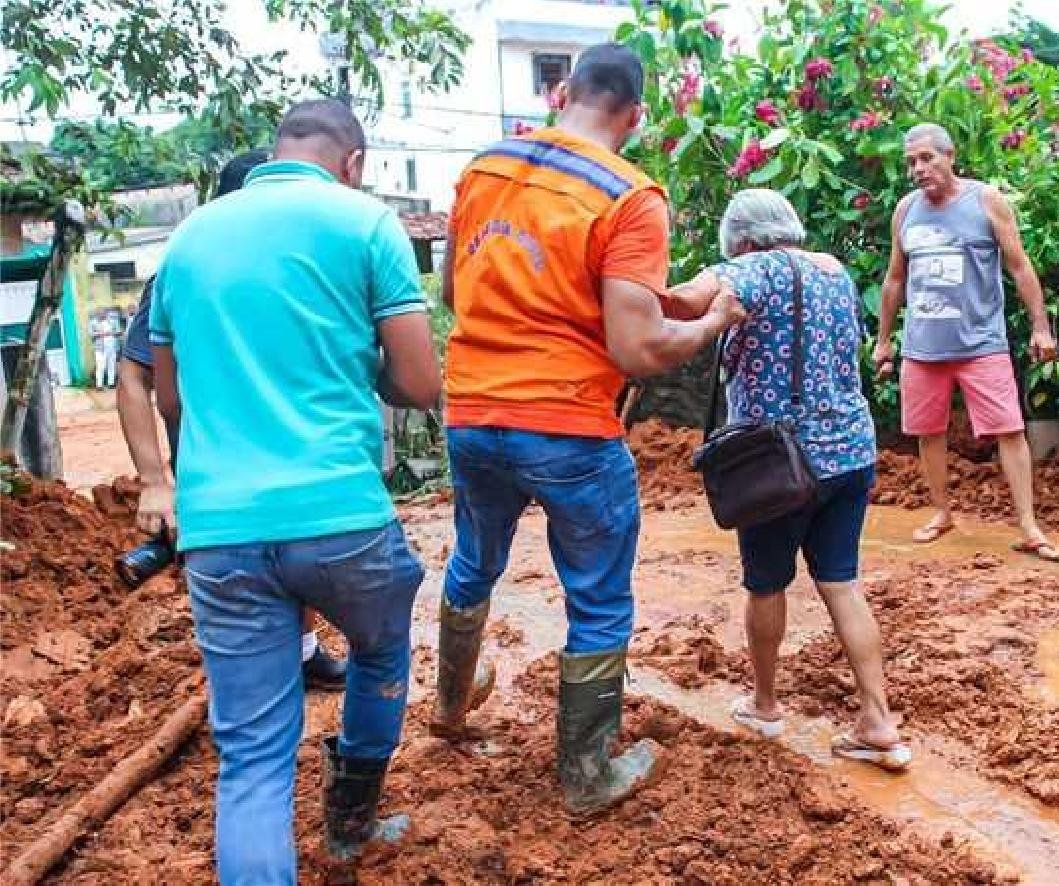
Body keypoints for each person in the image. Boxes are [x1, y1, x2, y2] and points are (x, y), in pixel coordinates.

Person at [437, 43, 743, 817]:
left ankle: (449, 703)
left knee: (475, 559)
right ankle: (585, 775)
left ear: (563, 91)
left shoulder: (483, 169)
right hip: (568, 424)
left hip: (473, 412)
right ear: (635, 117)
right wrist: (711, 320)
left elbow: (454, 289)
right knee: (599, 598)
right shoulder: (628, 196)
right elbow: (634, 347)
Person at [150, 100, 442, 882]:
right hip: (341, 516)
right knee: (380, 648)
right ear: (353, 162)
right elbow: (418, 382)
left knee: (251, 757)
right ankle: (352, 822)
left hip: (220, 530)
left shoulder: (188, 239)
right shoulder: (365, 223)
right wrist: (345, 364)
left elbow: (171, 401)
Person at [672, 189, 911, 771]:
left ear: (745, 240)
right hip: (850, 452)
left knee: (767, 583)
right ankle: (878, 722)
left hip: (778, 463)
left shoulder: (752, 268)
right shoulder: (834, 272)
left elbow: (681, 302)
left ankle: (764, 703)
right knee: (841, 583)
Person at [117, 150, 347, 691]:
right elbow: (134, 375)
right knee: (240, 596)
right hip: (215, 471)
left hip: (290, 462)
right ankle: (251, 676)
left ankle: (302, 650)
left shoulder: (297, 272)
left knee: (296, 558)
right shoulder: (183, 272)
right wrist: (154, 481)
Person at [874, 123, 1059, 563]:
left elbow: (1020, 267)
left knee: (1010, 431)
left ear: (950, 155)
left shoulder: (985, 201)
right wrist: (884, 341)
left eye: (926, 158)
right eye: (910, 162)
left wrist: (1041, 327)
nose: (918, 169)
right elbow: (894, 279)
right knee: (928, 431)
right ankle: (941, 513)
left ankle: (1029, 526)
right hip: (922, 348)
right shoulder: (906, 211)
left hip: (982, 343)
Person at [91, 309, 119, 389]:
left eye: (104, 313)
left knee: (111, 365)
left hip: (111, 347)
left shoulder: (112, 321)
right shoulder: (93, 322)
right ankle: (99, 385)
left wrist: (113, 333)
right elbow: (91, 334)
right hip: (100, 348)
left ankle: (111, 383)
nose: (102, 314)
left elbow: (117, 331)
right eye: (100, 313)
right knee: (100, 366)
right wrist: (101, 333)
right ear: (97, 314)